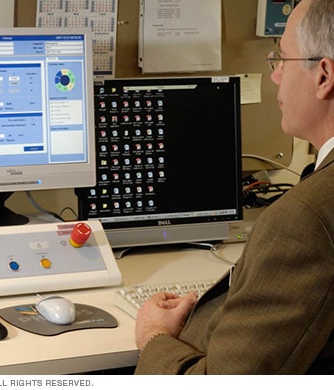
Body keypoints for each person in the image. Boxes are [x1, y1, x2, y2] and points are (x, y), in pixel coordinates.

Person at [134, 0, 334, 374]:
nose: (275, 76)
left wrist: (153, 338)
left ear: (323, 76)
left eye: (282, 59)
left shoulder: (305, 219)